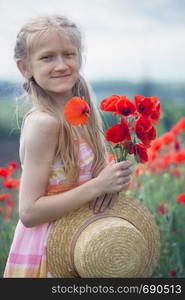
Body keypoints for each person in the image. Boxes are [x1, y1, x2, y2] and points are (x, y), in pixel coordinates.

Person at [3, 14, 133, 277]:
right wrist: (99, 185)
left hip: (81, 241)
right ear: (24, 67)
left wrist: (112, 181)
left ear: (80, 58)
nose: (61, 65)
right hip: (47, 252)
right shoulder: (44, 123)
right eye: (47, 57)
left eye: (69, 54)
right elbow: (29, 212)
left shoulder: (81, 114)